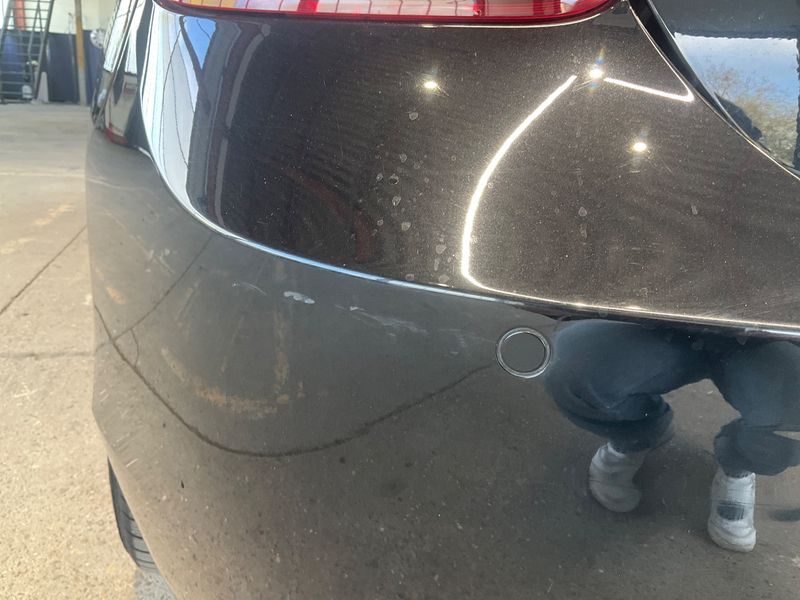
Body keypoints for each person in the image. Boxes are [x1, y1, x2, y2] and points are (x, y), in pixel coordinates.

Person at [543, 320, 800, 552]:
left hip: (766, 333)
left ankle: (741, 462)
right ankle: (636, 434)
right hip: (664, 318)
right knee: (566, 366)